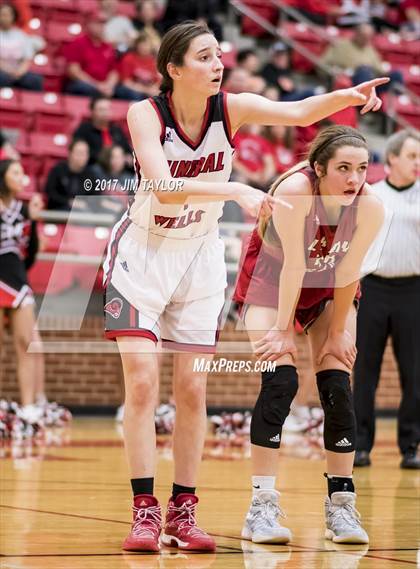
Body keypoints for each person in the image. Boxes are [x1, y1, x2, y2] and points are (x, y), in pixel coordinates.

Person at [102, 20, 387, 553]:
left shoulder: (228, 109)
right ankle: (143, 510)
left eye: (220, 56)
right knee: (142, 384)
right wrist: (234, 188)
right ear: (175, 67)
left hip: (200, 258)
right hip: (144, 256)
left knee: (192, 389)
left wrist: (346, 96)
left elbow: (299, 113)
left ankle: (183, 512)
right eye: (206, 58)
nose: (219, 66)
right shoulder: (145, 113)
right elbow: (163, 190)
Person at [233, 125, 385, 545]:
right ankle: (260, 506)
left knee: (337, 382)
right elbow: (294, 269)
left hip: (328, 288)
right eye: (343, 169)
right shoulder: (297, 191)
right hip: (270, 279)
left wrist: (336, 333)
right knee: (281, 379)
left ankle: (341, 505)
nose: (354, 179)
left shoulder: (371, 207)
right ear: (319, 169)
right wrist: (283, 331)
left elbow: (349, 272)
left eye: (361, 168)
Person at [353, 129, 420, 470]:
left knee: (415, 371)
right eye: (411, 156)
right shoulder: (371, 195)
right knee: (365, 371)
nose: (417, 162)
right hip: (373, 289)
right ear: (392, 158)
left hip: (413, 291)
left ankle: (411, 446)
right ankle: (360, 445)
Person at [0, 159, 45, 423]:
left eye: (23, 172)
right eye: (16, 172)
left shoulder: (25, 211)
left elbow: (30, 252)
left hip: (17, 279)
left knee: (25, 344)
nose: (22, 177)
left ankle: (28, 408)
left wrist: (36, 221)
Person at [72, 96, 131, 165]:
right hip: (94, 168)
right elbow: (82, 152)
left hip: (120, 171)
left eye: (107, 109)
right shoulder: (84, 129)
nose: (105, 113)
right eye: (101, 110)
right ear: (93, 111)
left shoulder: (116, 130)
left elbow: (127, 150)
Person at [0, 3, 43, 91]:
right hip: (3, 71)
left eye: (7, 15)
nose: (4, 18)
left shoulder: (21, 35)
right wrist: (9, 71)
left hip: (18, 71)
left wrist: (20, 71)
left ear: (13, 17)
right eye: (2, 15)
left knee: (35, 80)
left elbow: (27, 59)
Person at [44, 139, 94, 211]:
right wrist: (68, 202)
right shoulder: (58, 170)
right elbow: (50, 192)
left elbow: (95, 197)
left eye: (85, 153)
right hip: (58, 210)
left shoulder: (90, 175)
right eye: (79, 153)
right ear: (70, 153)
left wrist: (84, 204)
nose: (82, 157)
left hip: (83, 213)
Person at [119, 32, 161, 100]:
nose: (144, 48)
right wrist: (146, 90)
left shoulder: (154, 60)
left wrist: (154, 89)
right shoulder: (129, 58)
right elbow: (126, 82)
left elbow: (158, 81)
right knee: (136, 95)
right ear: (137, 46)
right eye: (142, 45)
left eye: (147, 45)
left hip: (149, 89)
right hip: (134, 89)